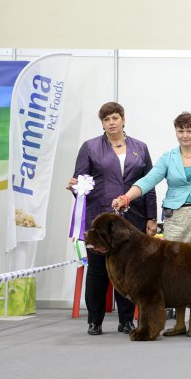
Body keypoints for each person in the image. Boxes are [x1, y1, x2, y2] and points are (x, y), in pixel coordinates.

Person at [112, 111, 191, 337]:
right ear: (176, 132)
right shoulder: (168, 157)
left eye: (190, 130)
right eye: (181, 130)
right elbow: (148, 181)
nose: (185, 135)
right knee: (176, 271)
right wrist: (126, 197)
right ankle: (179, 323)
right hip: (175, 218)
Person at [68, 102, 157, 336]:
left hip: (133, 220)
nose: (112, 123)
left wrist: (151, 216)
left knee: (129, 271)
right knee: (98, 272)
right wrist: (74, 187)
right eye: (106, 119)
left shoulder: (141, 148)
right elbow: (81, 183)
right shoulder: (90, 147)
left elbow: (149, 184)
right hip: (100, 221)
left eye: (115, 118)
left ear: (124, 119)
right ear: (103, 124)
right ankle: (94, 321)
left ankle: (126, 320)